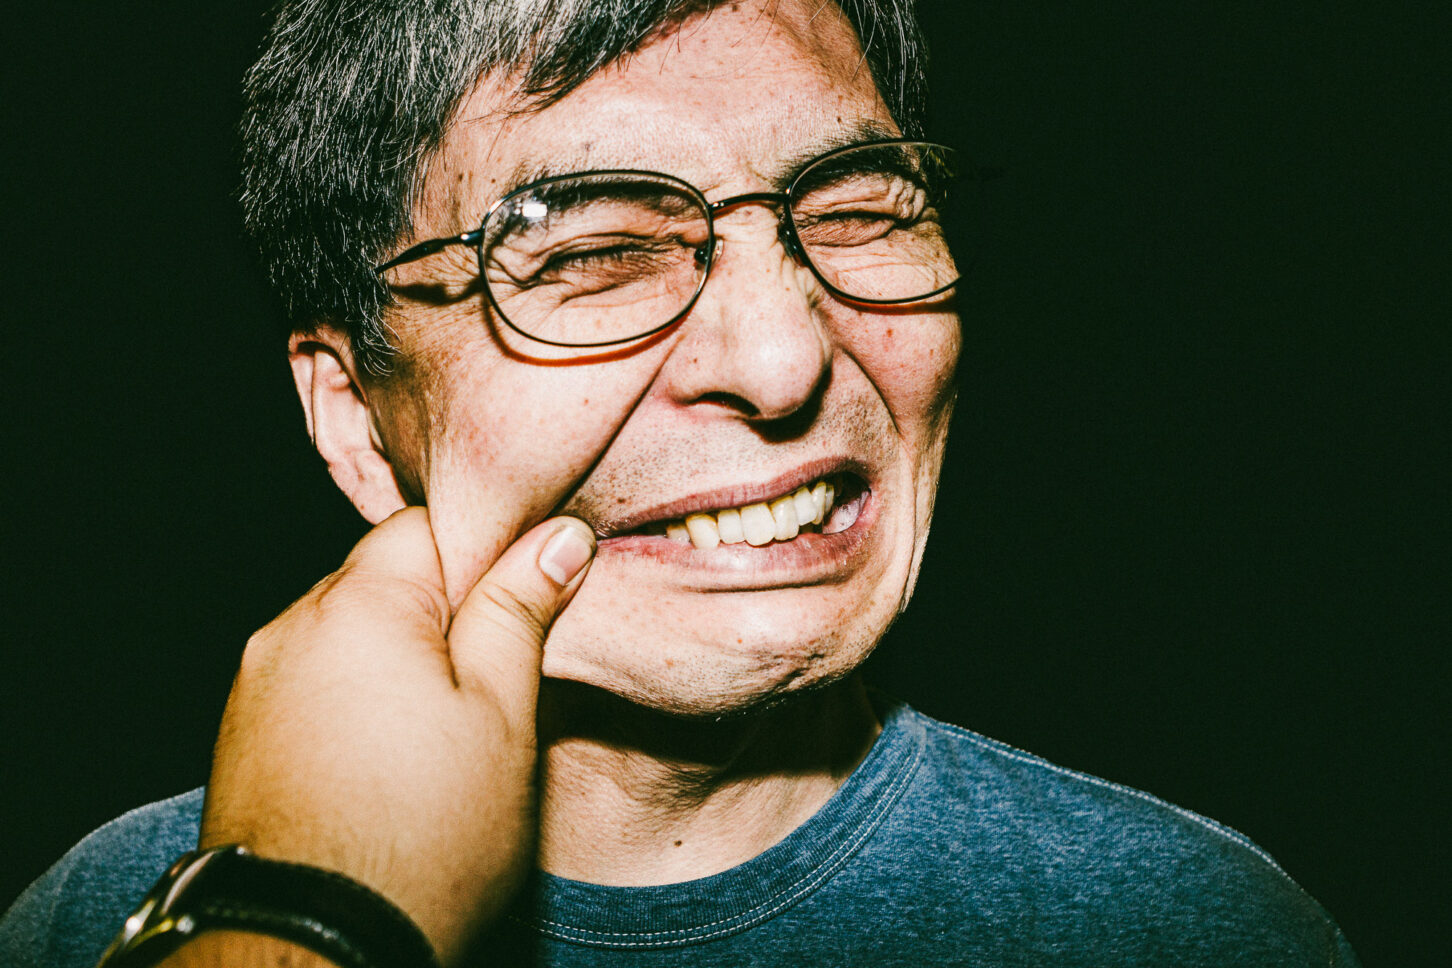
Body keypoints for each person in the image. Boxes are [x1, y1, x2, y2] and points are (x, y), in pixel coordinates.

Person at [1, 1, 1360, 965]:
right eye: (591, 251)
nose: (784, 361)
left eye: (857, 206)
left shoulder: (1194, 931)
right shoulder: (89, 927)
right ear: (357, 417)